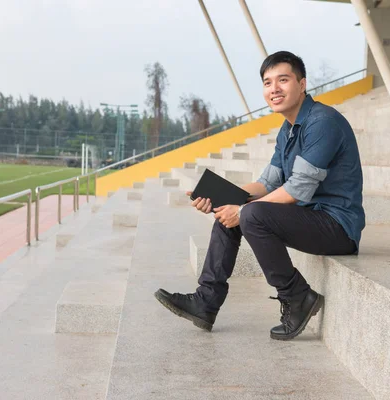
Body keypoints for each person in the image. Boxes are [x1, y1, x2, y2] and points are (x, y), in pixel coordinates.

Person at [154, 51, 365, 341]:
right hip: (310, 217)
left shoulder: (322, 122)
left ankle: (297, 295)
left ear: (302, 84)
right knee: (235, 209)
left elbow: (297, 190)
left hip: (337, 227)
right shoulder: (288, 129)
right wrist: (219, 196)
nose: (274, 89)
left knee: (249, 213)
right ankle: (206, 301)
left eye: (283, 80)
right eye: (267, 82)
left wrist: (241, 210)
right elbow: (267, 183)